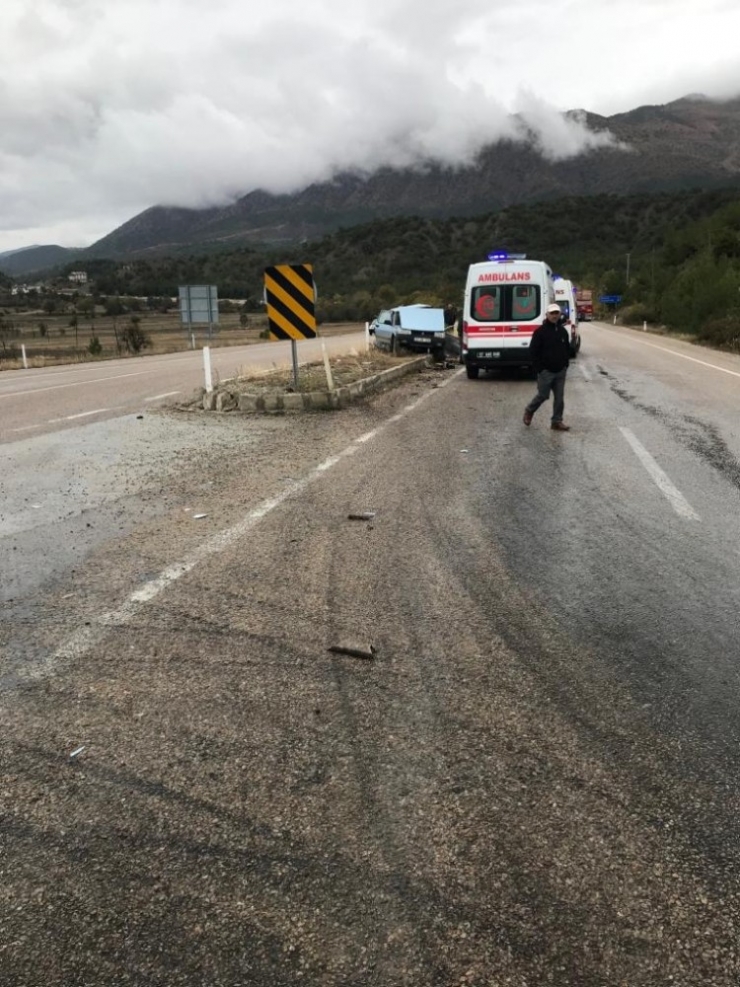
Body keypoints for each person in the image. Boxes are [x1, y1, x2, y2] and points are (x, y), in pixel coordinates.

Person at [523, 303, 571, 431]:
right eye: (552, 313)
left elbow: (567, 348)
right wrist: (540, 369)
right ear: (547, 315)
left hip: (560, 371)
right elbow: (533, 352)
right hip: (546, 372)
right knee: (543, 395)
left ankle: (556, 421)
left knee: (559, 398)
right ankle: (529, 410)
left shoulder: (562, 331)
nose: (555, 316)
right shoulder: (540, 332)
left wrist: (565, 364)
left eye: (557, 313)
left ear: (560, 314)